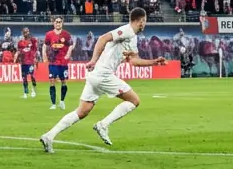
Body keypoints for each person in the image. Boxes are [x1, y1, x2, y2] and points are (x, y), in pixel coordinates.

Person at [39, 8, 167, 152]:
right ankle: (103, 124)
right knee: (134, 100)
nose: (145, 24)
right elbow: (103, 38)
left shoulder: (133, 37)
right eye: (145, 21)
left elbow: (134, 61)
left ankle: (49, 136)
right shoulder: (127, 30)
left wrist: (154, 62)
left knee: (82, 111)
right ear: (141, 21)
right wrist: (93, 60)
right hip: (103, 75)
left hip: (96, 75)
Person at [43, 17, 75, 110]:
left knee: (63, 81)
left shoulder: (66, 34)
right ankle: (53, 104)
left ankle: (62, 101)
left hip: (63, 62)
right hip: (53, 62)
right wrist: (44, 55)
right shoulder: (49, 34)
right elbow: (45, 45)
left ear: (62, 23)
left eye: (60, 22)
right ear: (53, 23)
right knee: (52, 81)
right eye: (56, 22)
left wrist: (68, 54)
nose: (58, 23)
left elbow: (71, 44)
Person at [16, 26, 40, 98]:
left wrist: (35, 58)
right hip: (23, 62)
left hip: (31, 61)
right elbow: (19, 51)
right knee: (24, 78)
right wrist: (17, 57)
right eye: (25, 32)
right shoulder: (20, 43)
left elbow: (35, 50)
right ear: (23, 33)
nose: (27, 33)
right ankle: (25, 93)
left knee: (32, 76)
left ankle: (34, 90)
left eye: (28, 31)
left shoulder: (33, 40)